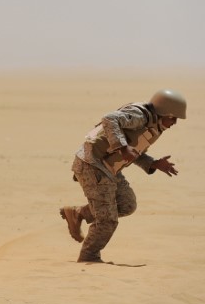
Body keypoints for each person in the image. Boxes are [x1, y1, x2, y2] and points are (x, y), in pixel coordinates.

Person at [59, 89, 186, 263]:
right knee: (107, 220)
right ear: (165, 112)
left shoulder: (153, 125)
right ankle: (89, 256)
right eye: (173, 117)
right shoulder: (140, 116)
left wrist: (153, 163)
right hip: (92, 164)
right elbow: (109, 119)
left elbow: (134, 151)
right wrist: (123, 147)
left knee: (126, 204)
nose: (175, 122)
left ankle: (78, 213)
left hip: (108, 167)